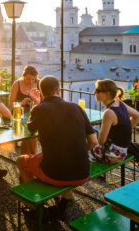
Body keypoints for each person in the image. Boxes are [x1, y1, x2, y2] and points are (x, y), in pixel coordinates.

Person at [17, 75, 98, 217]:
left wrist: (36, 104)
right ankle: (65, 200)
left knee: (21, 160)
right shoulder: (76, 107)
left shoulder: (40, 109)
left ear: (41, 92)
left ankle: (36, 204)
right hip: (83, 172)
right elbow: (93, 141)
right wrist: (80, 152)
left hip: (55, 174)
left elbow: (30, 130)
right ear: (58, 91)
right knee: (63, 155)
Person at [92, 79, 139, 164]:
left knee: (85, 142)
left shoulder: (108, 113)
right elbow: (138, 116)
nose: (94, 92)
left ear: (107, 94)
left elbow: (101, 141)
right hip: (122, 152)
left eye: (97, 90)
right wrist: (125, 129)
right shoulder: (119, 103)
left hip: (113, 156)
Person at [9, 65, 39, 155]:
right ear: (23, 76)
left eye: (33, 79)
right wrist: (21, 103)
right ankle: (30, 156)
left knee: (31, 129)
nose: (30, 81)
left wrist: (34, 102)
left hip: (34, 112)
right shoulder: (17, 84)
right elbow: (10, 103)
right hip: (18, 113)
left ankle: (29, 155)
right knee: (30, 131)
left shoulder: (39, 83)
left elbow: (42, 101)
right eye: (28, 79)